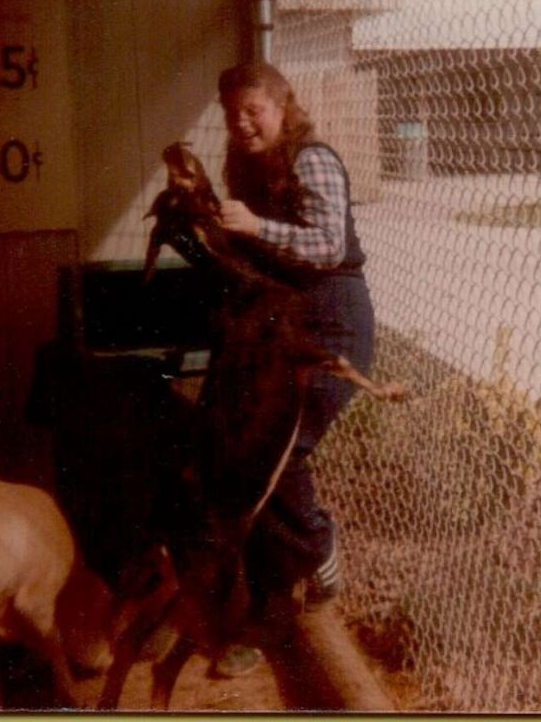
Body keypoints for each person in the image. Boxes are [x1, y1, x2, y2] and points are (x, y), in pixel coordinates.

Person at [211, 61, 375, 676]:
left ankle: (301, 564)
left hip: (334, 323)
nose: (243, 122)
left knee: (279, 454)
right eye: (232, 113)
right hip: (282, 326)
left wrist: (254, 225)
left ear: (283, 106)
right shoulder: (244, 167)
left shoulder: (313, 158)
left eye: (254, 110)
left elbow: (328, 245)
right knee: (255, 457)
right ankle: (288, 571)